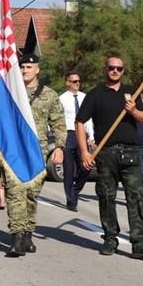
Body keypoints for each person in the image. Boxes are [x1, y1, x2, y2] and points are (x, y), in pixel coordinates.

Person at [76, 56, 143, 259]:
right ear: (105, 69)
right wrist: (84, 151)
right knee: (106, 196)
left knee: (136, 197)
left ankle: (140, 243)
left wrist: (133, 110)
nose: (115, 71)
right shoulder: (95, 94)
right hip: (106, 152)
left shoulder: (131, 92)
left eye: (119, 68)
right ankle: (110, 239)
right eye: (112, 67)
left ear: (123, 71)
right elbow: (80, 122)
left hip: (131, 152)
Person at [0, 53, 65, 257]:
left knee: (31, 195)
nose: (25, 71)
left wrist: (59, 147)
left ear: (37, 69)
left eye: (29, 67)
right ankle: (16, 237)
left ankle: (28, 233)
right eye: (22, 67)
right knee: (15, 194)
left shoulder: (49, 95)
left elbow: (58, 123)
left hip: (37, 153)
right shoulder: (10, 93)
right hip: (13, 151)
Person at [58, 71, 94, 211]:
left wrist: (91, 136)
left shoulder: (84, 97)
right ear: (67, 83)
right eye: (74, 81)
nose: (77, 83)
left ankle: (75, 190)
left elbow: (88, 118)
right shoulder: (62, 99)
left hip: (82, 134)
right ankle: (71, 200)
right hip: (69, 133)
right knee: (68, 169)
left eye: (79, 81)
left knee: (86, 166)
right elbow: (58, 120)